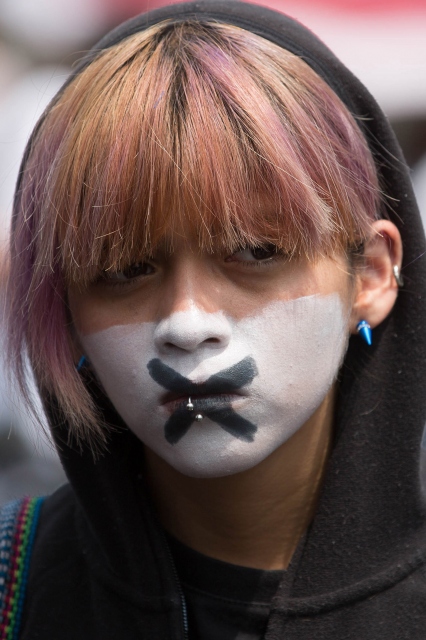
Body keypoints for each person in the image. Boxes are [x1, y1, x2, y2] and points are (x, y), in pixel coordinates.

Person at [1, 1, 426, 638]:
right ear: (64, 307)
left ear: (370, 274)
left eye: (255, 253)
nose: (187, 324)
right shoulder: (16, 586)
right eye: (125, 269)